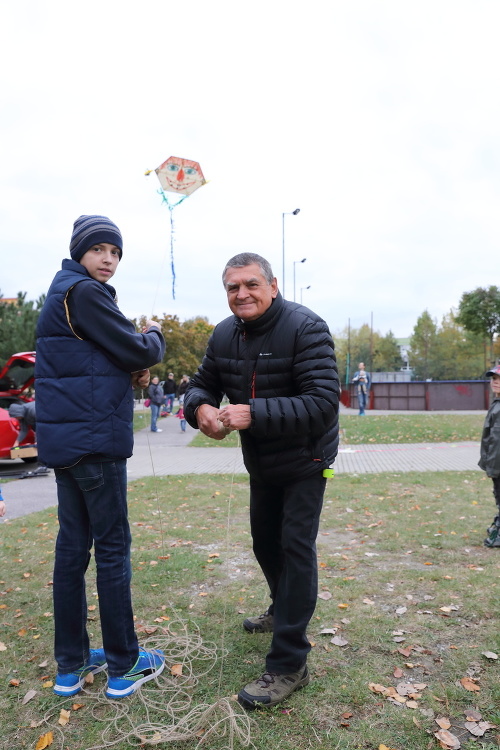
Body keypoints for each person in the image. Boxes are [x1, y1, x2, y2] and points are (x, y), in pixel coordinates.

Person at [184, 252, 339, 710]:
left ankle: (290, 662)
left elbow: (323, 402)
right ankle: (282, 608)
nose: (241, 294)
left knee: (294, 547)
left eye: (251, 284)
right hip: (262, 461)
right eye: (232, 287)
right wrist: (200, 409)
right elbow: (201, 384)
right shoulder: (223, 333)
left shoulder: (306, 327)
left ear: (273, 286)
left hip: (308, 459)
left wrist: (253, 413)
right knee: (263, 544)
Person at [35, 215, 166, 699]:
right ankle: (123, 664)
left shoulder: (62, 292)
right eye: (100, 249)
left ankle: (70, 666)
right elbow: (136, 349)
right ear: (80, 252)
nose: (108, 259)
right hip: (95, 444)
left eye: (116, 252)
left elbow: (88, 359)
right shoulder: (85, 293)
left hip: (67, 446)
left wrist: (122, 372)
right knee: (111, 550)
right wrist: (153, 336)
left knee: (72, 551)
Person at [479, 364, 500, 548]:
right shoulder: (497, 402)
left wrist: (492, 467)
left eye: (499, 379)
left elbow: (497, 442)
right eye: (494, 379)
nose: (496, 382)